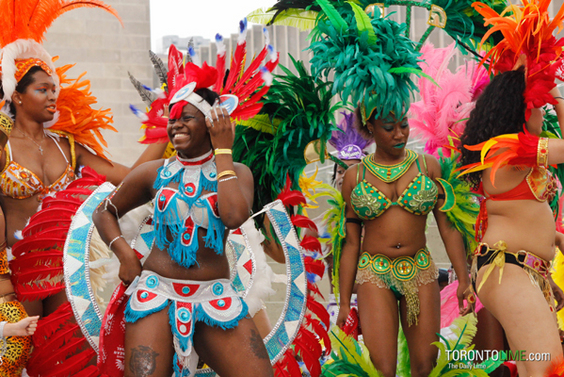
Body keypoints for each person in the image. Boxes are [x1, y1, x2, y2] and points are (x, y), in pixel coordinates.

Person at [93, 73, 273, 375]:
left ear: (213, 123)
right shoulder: (153, 172)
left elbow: (233, 216)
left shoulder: (238, 172)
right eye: (172, 118)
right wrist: (125, 255)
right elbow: (104, 211)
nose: (175, 125)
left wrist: (223, 151)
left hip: (215, 295)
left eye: (186, 118)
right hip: (155, 292)